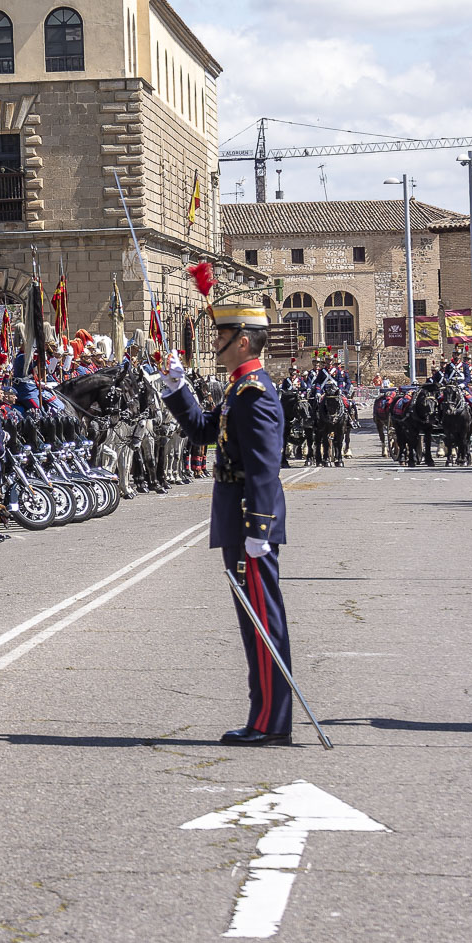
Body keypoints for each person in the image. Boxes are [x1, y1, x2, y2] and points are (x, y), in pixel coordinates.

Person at [159, 300, 293, 746]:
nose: (214, 343)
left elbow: (263, 467)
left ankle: (272, 723)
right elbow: (201, 432)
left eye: (220, 336)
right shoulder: (239, 390)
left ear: (241, 341)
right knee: (253, 622)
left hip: (248, 524)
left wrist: (259, 530)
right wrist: (177, 389)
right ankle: (266, 718)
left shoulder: (253, 394)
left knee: (262, 623)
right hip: (237, 521)